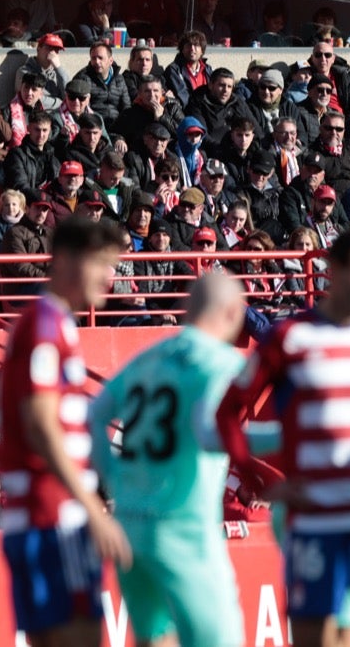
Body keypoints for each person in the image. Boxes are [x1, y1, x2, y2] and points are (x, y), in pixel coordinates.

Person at [216, 228, 350, 647]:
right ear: (333, 271)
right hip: (316, 523)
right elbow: (227, 411)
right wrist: (255, 476)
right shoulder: (288, 339)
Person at [88, 273, 248, 647]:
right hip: (183, 527)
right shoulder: (222, 361)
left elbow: (95, 416)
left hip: (130, 524)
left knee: (155, 638)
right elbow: (214, 432)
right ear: (232, 313)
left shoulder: (149, 357)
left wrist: (114, 480)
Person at [0, 219, 130, 646]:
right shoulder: (44, 324)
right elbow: (40, 424)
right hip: (53, 518)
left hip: (46, 516)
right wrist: (91, 507)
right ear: (68, 262)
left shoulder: (51, 324)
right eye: (103, 263)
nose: (111, 276)